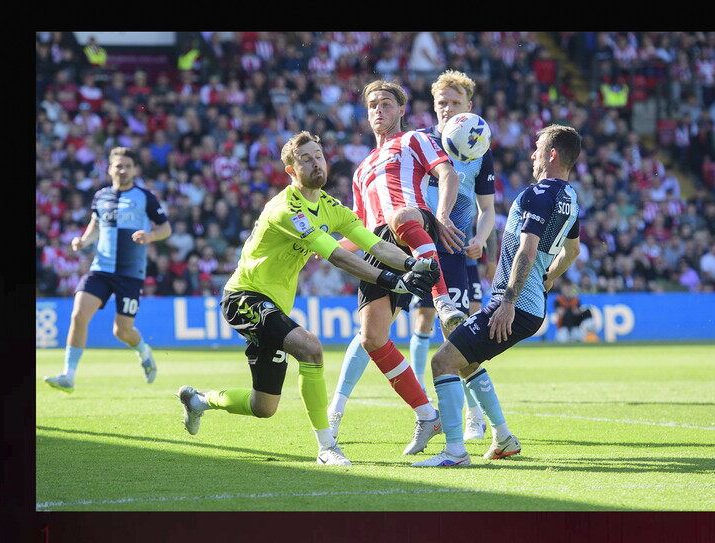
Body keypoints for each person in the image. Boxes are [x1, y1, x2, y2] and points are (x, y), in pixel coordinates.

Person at [174, 131, 442, 466]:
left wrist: (411, 263)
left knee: (264, 406)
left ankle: (198, 400)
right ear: (290, 170)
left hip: (274, 306)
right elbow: (338, 257)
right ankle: (327, 447)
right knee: (310, 348)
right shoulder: (286, 209)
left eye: (319, 155)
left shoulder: (331, 208)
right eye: (305, 158)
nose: (316, 162)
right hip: (243, 298)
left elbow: (374, 244)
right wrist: (393, 281)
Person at [329, 70, 497, 444]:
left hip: (415, 221)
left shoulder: (416, 139)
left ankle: (442, 302)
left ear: (401, 109)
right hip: (380, 245)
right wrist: (320, 248)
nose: (378, 110)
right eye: (372, 105)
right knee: (372, 337)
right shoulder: (360, 170)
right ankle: (426, 414)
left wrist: (440, 216)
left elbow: (448, 175)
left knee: (401, 215)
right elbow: (357, 228)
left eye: (386, 104)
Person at [412, 123, 582, 467]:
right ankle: (503, 437)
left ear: (552, 155)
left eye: (538, 149)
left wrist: (507, 301)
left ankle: (455, 452)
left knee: (442, 361)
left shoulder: (538, 194)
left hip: (513, 304)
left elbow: (527, 250)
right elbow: (573, 251)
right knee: (465, 362)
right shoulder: (571, 199)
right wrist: (547, 280)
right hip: (530, 305)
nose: (532, 155)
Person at [44, 147, 172, 393]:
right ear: (110, 168)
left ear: (135, 169)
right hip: (101, 268)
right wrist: (83, 241)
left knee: (121, 330)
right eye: (118, 165)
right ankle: (68, 375)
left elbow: (166, 229)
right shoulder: (100, 196)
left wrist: (151, 235)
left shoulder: (145, 197)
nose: (122, 170)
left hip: (130, 273)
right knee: (78, 315)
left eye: (127, 165)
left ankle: (144, 352)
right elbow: (95, 225)